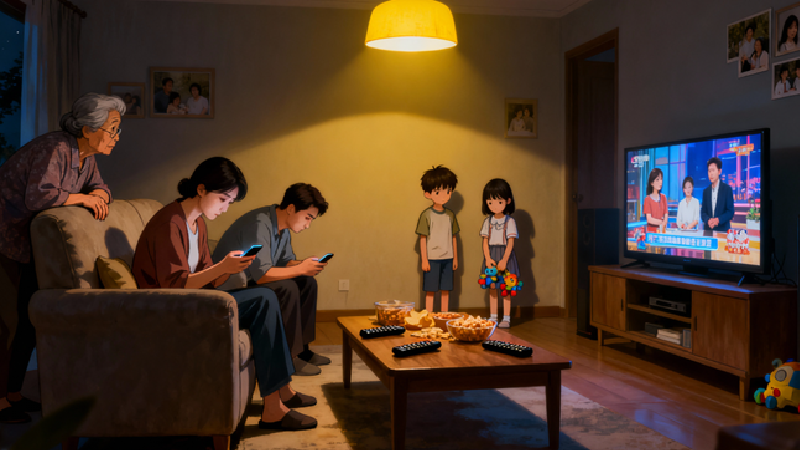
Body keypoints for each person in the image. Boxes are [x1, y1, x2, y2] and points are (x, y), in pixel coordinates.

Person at [131, 157, 317, 430]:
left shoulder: (198, 222)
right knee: (265, 298)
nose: (225, 208)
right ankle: (275, 406)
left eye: (230, 202)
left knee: (266, 299)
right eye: (223, 199)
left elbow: (206, 279)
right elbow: (173, 285)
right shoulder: (170, 222)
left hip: (194, 300)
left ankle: (281, 393)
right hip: (171, 308)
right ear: (202, 189)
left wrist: (228, 269)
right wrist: (222, 267)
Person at [0, 93, 124, 424]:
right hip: (5, 240)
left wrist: (98, 194)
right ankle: (0, 399)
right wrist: (84, 197)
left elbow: (103, 188)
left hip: (31, 247)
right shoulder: (55, 148)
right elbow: (39, 195)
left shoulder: (86, 157)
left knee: (28, 319)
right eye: (112, 129)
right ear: (88, 128)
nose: (116, 137)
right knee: (7, 323)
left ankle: (12, 393)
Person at [212, 183, 330, 376]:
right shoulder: (259, 223)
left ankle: (303, 350)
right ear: (291, 208)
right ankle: (289, 358)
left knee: (306, 282)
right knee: (287, 287)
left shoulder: (283, 229)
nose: (308, 224)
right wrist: (301, 268)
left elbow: (285, 262)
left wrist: (306, 265)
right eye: (308, 217)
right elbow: (262, 275)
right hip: (231, 287)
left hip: (251, 280)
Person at [417, 165, 459, 312]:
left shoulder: (451, 215)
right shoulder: (426, 215)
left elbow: (453, 237)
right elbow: (423, 238)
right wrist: (424, 260)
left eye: (447, 191)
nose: (444, 195)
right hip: (432, 258)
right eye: (438, 191)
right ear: (428, 194)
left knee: (445, 289)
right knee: (430, 289)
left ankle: (444, 315)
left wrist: (455, 258)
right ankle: (428, 315)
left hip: (448, 257)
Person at [479, 178, 519, 329]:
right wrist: (488, 258)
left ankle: (506, 318)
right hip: (491, 256)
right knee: (492, 287)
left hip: (506, 257)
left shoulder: (510, 222)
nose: (494, 205)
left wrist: (504, 260)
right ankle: (493, 316)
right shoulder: (487, 222)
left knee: (506, 288)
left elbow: (511, 243)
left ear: (507, 201)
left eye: (498, 201)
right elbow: (485, 242)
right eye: (490, 202)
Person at [701, 157, 735, 233]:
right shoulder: (706, 191)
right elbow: (703, 213)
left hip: (723, 232)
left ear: (719, 171)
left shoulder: (727, 189)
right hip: (708, 232)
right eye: (709, 171)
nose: (711, 173)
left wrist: (718, 220)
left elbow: (730, 212)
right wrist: (708, 220)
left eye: (713, 170)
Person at [643, 168, 668, 234]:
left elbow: (666, 216)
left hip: (662, 232)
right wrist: (661, 222)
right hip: (651, 233)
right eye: (657, 179)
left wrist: (663, 223)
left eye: (661, 179)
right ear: (652, 183)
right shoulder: (647, 199)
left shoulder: (663, 197)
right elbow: (649, 219)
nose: (660, 182)